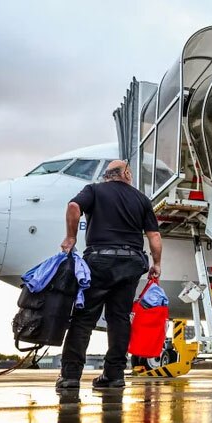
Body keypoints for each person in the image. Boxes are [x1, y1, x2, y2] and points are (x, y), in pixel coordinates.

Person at [57, 160, 162, 390]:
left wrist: (71, 237)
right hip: (131, 262)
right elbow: (154, 236)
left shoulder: (93, 190)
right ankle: (114, 375)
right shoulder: (142, 199)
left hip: (100, 260)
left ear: (107, 175)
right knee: (120, 319)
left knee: (84, 318)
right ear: (125, 173)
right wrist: (156, 263)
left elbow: (74, 207)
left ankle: (70, 376)